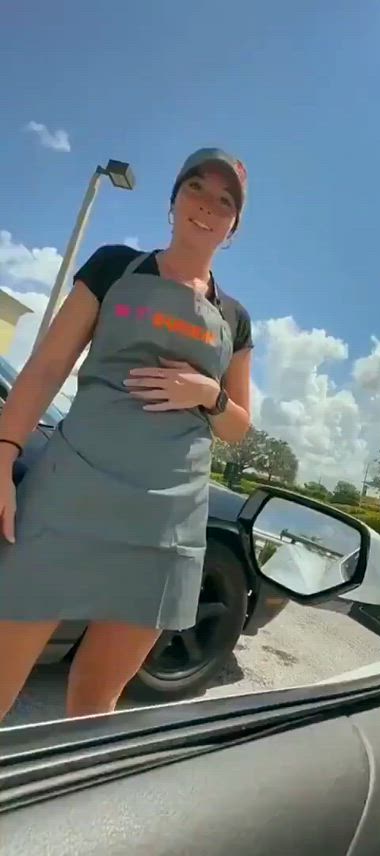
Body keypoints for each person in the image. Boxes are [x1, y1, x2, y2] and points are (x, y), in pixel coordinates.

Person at [0, 147, 253, 722]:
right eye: (196, 188)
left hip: (167, 521)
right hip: (72, 493)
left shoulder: (235, 319)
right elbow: (46, 367)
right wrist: (4, 454)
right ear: (173, 199)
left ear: (234, 226)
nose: (207, 206)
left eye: (224, 201)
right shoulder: (115, 267)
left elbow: (239, 425)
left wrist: (206, 392)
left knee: (96, 702)